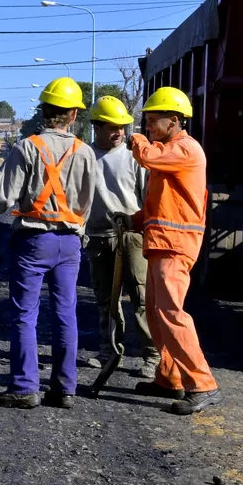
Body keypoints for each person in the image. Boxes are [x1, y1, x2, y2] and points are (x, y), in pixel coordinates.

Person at [0, 77, 96, 409]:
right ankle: (65, 388)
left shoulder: (28, 147)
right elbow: (87, 203)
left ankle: (25, 387)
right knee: (66, 313)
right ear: (72, 115)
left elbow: (2, 196)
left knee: (25, 314)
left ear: (44, 111)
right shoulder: (85, 152)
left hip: (34, 241)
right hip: (70, 243)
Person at [130, 87, 221, 415]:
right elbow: (163, 201)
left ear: (174, 120)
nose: (149, 126)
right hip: (162, 241)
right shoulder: (171, 152)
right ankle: (170, 378)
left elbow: (146, 155)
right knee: (157, 314)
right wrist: (135, 219)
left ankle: (203, 383)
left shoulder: (184, 149)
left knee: (171, 313)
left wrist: (133, 135)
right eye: (147, 121)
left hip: (175, 244)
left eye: (153, 120)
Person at [84, 96, 159, 378]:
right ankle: (109, 350)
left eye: (122, 127)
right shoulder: (84, 156)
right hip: (98, 237)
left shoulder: (134, 157)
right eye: (113, 127)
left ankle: (152, 356)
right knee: (106, 298)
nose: (120, 132)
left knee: (142, 297)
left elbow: (148, 198)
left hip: (132, 236)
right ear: (97, 127)